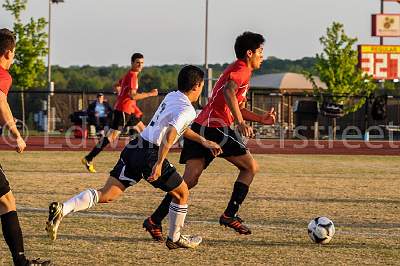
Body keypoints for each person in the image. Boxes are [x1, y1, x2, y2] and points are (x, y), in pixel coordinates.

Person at [46, 65, 222, 249]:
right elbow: (171, 133)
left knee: (106, 194)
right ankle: (175, 238)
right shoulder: (188, 110)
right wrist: (159, 163)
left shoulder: (172, 96)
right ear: (196, 86)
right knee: (182, 192)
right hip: (150, 153)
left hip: (135, 148)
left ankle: (63, 209)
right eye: (202, 86)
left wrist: (204, 141)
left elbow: (179, 128)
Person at [143, 31, 276, 241]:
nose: (263, 55)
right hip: (216, 127)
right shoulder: (241, 69)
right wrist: (240, 122)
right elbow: (228, 93)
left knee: (189, 180)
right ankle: (229, 214)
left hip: (200, 126)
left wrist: (260, 119)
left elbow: (237, 105)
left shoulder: (239, 70)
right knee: (250, 168)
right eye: (260, 51)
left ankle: (154, 220)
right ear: (249, 53)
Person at [0, 28, 51, 266]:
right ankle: (20, 262)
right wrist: (16, 135)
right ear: (8, 52)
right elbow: (0, 102)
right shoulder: (2, 74)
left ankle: (20, 261)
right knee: (6, 202)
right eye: (15, 53)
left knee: (4, 201)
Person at [82, 53, 158, 173]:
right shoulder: (132, 75)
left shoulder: (129, 74)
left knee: (145, 131)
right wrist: (151, 94)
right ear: (132, 63)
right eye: (138, 62)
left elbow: (117, 85)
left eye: (142, 63)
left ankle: (151, 160)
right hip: (124, 110)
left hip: (128, 110)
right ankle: (89, 158)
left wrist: (121, 93)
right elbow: (132, 95)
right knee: (112, 137)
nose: (140, 65)